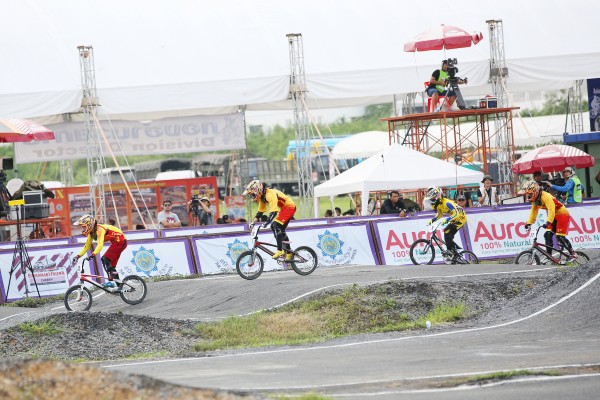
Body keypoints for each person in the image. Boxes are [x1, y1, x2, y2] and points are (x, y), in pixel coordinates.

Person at [243, 179, 296, 260]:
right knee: (279, 229)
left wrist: (267, 222)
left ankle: (280, 250)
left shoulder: (270, 194)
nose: (252, 196)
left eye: (253, 194)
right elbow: (260, 211)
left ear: (257, 190)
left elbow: (274, 211)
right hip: (284, 208)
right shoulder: (262, 197)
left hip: (289, 207)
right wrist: (253, 222)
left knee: (275, 225)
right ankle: (289, 253)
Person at [522, 181, 577, 259]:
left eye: (530, 194)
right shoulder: (535, 200)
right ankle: (549, 256)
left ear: (535, 191)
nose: (529, 196)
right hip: (554, 216)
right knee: (547, 234)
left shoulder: (546, 196)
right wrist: (529, 223)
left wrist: (548, 222)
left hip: (562, 214)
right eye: (528, 194)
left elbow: (551, 210)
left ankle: (573, 253)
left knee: (560, 236)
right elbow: (533, 211)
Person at [72, 214, 127, 290]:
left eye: (84, 227)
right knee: (110, 266)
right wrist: (78, 256)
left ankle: (113, 282)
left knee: (105, 259)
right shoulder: (92, 232)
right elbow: (87, 246)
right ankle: (119, 286)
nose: (83, 229)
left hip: (120, 241)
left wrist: (93, 254)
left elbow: (100, 244)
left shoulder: (99, 230)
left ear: (90, 225)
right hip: (117, 242)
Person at [426, 186, 467, 263]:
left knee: (447, 231)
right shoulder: (439, 205)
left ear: (438, 196)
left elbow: (456, 213)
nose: (432, 200)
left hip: (461, 218)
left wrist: (447, 219)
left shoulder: (447, 203)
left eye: (433, 199)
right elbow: (439, 214)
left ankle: (450, 250)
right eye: (432, 199)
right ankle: (454, 251)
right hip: (455, 218)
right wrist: (432, 220)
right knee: (447, 233)